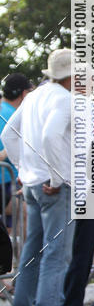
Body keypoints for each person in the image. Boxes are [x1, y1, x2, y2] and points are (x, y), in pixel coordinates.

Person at [2, 50, 83, 306]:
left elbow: (8, 134)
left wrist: (24, 169)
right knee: (56, 253)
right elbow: (51, 136)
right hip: (55, 185)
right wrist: (57, 177)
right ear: (72, 75)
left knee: (31, 251)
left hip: (33, 182)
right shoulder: (67, 99)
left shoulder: (34, 96)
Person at [0, 73, 33, 230]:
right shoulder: (16, 115)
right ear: (24, 94)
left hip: (9, 180)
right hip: (7, 180)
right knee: (29, 217)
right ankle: (30, 255)